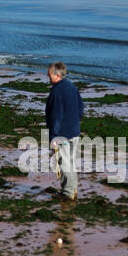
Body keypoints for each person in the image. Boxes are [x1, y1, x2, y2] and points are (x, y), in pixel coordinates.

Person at [45, 61, 84, 200]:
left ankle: (68, 193)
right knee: (71, 162)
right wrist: (75, 122)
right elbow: (81, 108)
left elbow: (56, 116)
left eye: (49, 74)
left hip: (62, 133)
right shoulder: (72, 86)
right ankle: (71, 190)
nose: (48, 77)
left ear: (57, 75)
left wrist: (54, 137)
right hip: (74, 131)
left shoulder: (57, 91)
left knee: (65, 163)